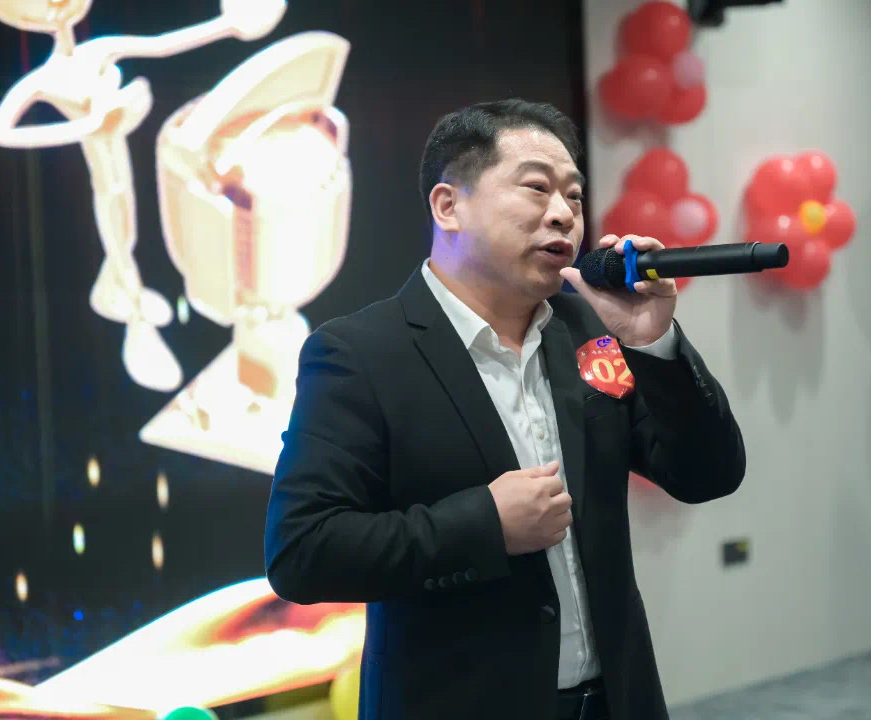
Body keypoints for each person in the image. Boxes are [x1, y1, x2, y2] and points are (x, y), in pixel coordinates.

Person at [264, 99, 746, 720]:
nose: (564, 214)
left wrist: (654, 343)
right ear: (448, 206)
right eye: (537, 188)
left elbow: (708, 474)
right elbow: (304, 553)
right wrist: (485, 524)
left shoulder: (590, 331)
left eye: (574, 196)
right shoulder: (359, 354)